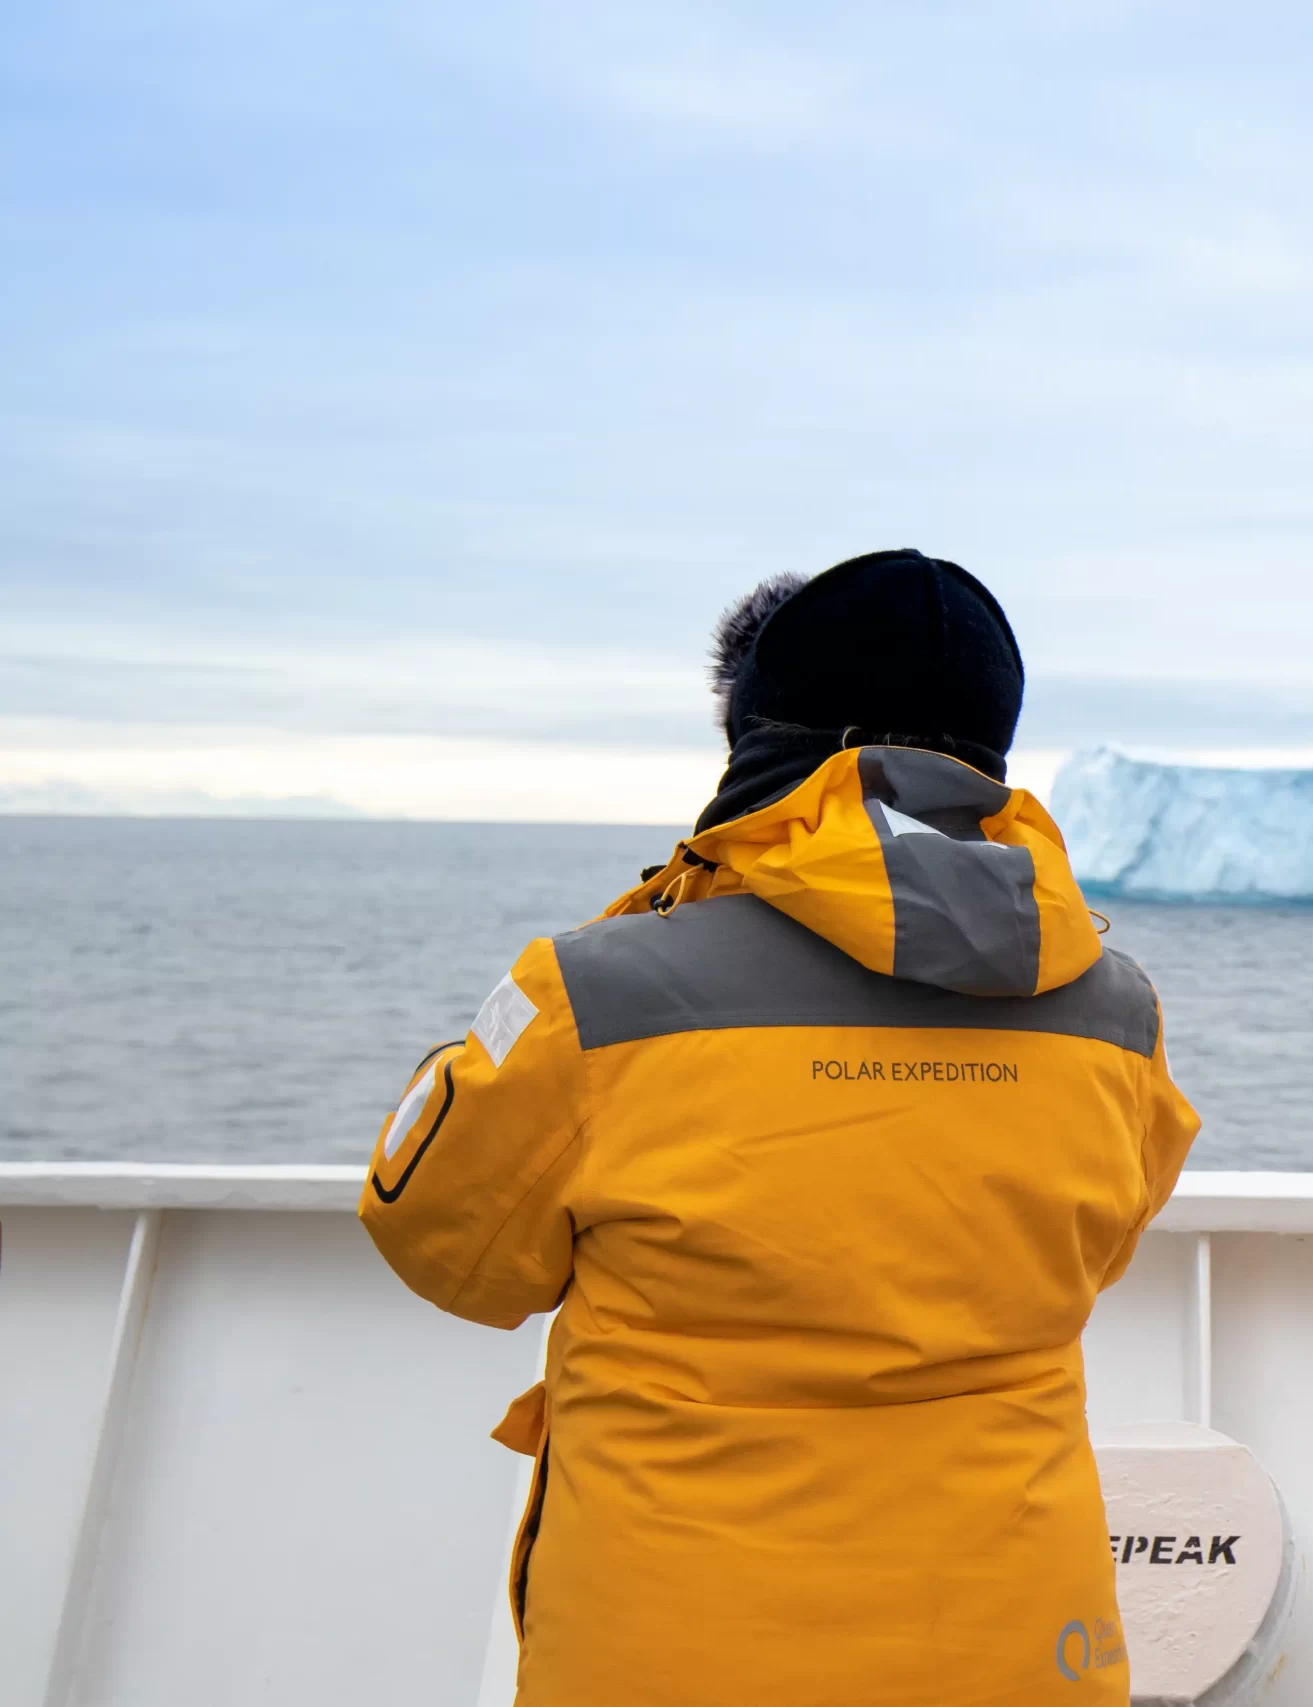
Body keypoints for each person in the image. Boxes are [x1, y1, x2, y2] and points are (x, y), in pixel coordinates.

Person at [361, 549, 1199, 1707]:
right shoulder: (1118, 1011)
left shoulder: (598, 993)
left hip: (675, 1647)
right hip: (1018, 1640)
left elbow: (447, 1251)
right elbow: (1093, 1250)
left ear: (757, 737)